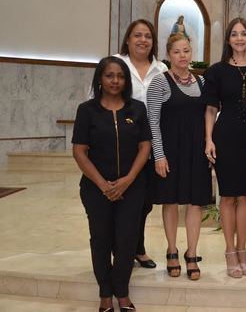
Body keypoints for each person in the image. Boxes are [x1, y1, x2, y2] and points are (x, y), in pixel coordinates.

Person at [72, 57, 152, 312]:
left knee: (127, 241)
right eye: (109, 75)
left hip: (132, 188)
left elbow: (145, 147)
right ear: (100, 79)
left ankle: (123, 292)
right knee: (101, 240)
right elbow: (79, 152)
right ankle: (105, 294)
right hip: (96, 190)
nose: (115, 81)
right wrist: (104, 185)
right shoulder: (87, 111)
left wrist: (127, 181)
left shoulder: (137, 109)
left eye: (120, 76)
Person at [147, 33, 211, 281]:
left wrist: (209, 144)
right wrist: (159, 156)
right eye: (177, 51)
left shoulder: (203, 82)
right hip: (170, 152)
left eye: (186, 50)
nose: (182, 56)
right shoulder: (159, 83)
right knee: (170, 201)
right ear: (168, 54)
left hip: (196, 152)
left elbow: (210, 116)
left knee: (196, 203)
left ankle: (192, 253)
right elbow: (153, 122)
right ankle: (172, 249)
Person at [204, 18, 246, 278]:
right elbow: (210, 109)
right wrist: (208, 139)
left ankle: (242, 249)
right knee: (227, 196)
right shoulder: (216, 71)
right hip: (225, 136)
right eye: (234, 34)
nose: (239, 39)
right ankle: (229, 251)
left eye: (244, 34)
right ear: (228, 39)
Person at [115, 19, 168, 270]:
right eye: (137, 35)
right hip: (122, 143)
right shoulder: (116, 64)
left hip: (152, 144)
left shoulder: (162, 69)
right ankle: (121, 250)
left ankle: (138, 248)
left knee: (144, 202)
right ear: (128, 39)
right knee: (121, 199)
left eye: (148, 36)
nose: (143, 40)